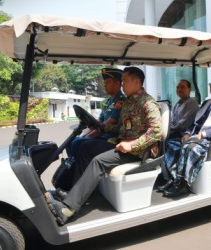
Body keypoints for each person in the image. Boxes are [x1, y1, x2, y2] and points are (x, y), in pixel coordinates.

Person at [45, 66, 162, 225]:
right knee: (85, 148)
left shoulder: (147, 103)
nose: (122, 85)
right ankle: (75, 193)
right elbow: (121, 127)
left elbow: (156, 131)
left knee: (98, 161)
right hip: (124, 144)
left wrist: (132, 145)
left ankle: (68, 209)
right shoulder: (129, 102)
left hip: (139, 150)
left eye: (125, 81)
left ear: (137, 82)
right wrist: (104, 127)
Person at [159, 71, 211, 197]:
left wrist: (204, 134)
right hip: (197, 137)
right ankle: (174, 179)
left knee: (189, 147)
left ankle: (184, 184)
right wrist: (187, 133)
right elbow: (196, 121)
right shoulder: (208, 102)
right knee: (171, 143)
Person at [67, 68, 126, 186]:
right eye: (104, 83)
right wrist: (84, 134)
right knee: (72, 142)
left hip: (111, 140)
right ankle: (72, 173)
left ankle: (79, 183)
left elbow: (105, 126)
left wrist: (86, 138)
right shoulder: (109, 101)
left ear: (117, 84)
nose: (104, 85)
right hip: (103, 137)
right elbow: (98, 122)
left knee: (80, 144)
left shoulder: (121, 101)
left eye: (107, 82)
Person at [158, 79, 199, 189]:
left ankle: (174, 178)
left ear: (189, 89)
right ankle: (163, 174)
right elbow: (172, 121)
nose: (179, 89)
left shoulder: (192, 103)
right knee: (157, 141)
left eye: (182, 87)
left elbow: (182, 124)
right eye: (178, 87)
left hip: (184, 135)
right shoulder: (178, 103)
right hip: (175, 132)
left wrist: (167, 130)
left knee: (168, 144)